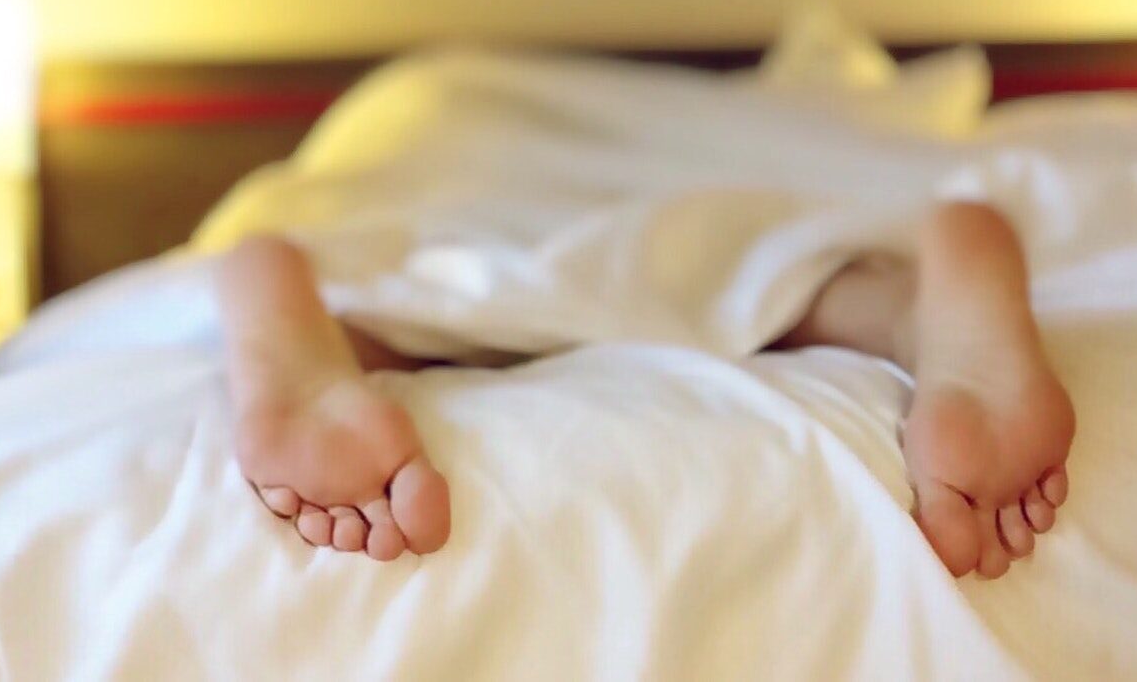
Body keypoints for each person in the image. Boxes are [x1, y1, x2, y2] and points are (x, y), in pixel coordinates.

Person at [219, 199, 1073, 580]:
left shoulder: (439, 128)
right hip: (733, 222)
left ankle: (296, 322)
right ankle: (919, 306)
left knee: (411, 297)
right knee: (798, 284)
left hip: (458, 235)